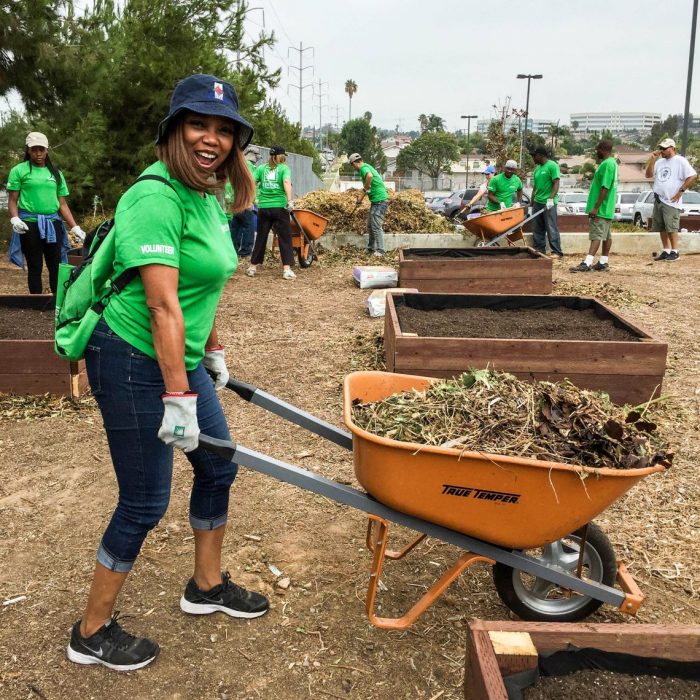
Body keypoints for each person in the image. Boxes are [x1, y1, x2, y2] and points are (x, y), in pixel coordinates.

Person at [66, 74, 268, 673]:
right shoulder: (154, 198)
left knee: (216, 462)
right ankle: (91, 631)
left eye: (225, 129)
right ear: (175, 129)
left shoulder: (205, 191)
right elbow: (160, 305)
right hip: (130, 355)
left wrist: (212, 350)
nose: (212, 139)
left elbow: (200, 286)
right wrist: (178, 394)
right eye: (199, 124)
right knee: (145, 500)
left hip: (177, 352)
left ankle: (206, 587)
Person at [6, 132, 86, 294]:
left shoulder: (56, 173)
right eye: (34, 149)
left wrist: (75, 227)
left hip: (52, 223)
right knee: (35, 264)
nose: (38, 153)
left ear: (47, 150)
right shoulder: (19, 171)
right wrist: (15, 219)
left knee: (56, 264)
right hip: (29, 224)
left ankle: (56, 301)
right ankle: (36, 300)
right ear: (28, 150)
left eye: (41, 149)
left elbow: (62, 204)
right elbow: (13, 200)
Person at [246, 145, 296, 279]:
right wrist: (290, 200)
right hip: (280, 207)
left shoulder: (261, 168)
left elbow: (250, 182)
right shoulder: (284, 168)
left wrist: (251, 199)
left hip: (264, 208)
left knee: (261, 237)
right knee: (285, 237)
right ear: (282, 156)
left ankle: (252, 267)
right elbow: (286, 182)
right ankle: (286, 270)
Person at [645, 137, 697, 261]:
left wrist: (681, 191)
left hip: (671, 201)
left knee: (671, 227)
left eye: (664, 148)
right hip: (659, 199)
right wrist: (652, 160)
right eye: (660, 148)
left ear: (672, 148)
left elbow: (693, 175)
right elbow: (648, 175)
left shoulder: (680, 161)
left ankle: (675, 251)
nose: (661, 151)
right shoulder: (659, 162)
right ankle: (666, 250)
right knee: (661, 227)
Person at [570, 140, 618, 273]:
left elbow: (605, 187)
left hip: (601, 208)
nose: (596, 152)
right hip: (607, 208)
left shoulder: (607, 164)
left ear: (602, 149)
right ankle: (603, 262)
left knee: (596, 235)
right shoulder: (612, 163)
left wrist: (595, 207)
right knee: (606, 236)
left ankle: (587, 262)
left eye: (597, 150)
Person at [348, 152, 389, 256]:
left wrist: (365, 190)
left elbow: (369, 176)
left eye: (352, 166)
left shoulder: (362, 168)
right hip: (377, 201)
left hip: (380, 201)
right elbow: (369, 185)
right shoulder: (367, 166)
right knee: (370, 225)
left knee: (375, 226)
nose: (353, 168)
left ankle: (381, 251)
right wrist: (361, 197)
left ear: (355, 163)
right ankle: (371, 248)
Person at [225, 144, 259, 258]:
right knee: (248, 226)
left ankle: (233, 249)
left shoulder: (238, 164)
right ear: (254, 156)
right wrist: (250, 200)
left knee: (236, 227)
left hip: (235, 201)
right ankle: (245, 251)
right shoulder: (249, 166)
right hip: (245, 201)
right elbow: (249, 184)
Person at [531, 145, 564, 259]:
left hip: (548, 202)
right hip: (537, 202)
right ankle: (540, 249)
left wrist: (551, 198)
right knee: (537, 227)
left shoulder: (552, 166)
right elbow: (535, 187)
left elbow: (556, 183)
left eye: (534, 156)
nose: (533, 158)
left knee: (551, 226)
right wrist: (532, 202)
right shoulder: (537, 169)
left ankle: (557, 251)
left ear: (540, 156)